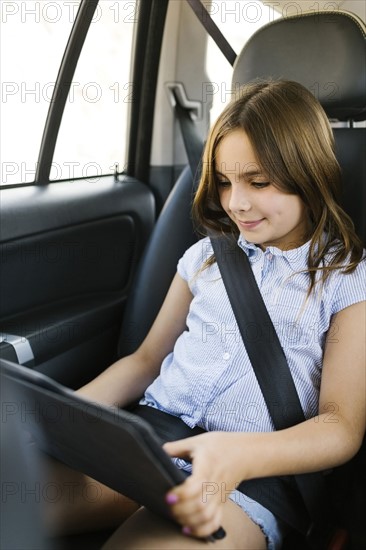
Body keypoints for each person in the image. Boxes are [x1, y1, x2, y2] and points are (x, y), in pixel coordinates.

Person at [49, 80, 366, 549]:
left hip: (249, 475)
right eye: (224, 181)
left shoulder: (345, 278)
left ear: (309, 172)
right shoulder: (206, 258)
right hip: (151, 442)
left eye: (258, 182)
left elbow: (340, 425)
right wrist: (60, 417)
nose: (236, 202)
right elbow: (145, 361)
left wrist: (239, 455)